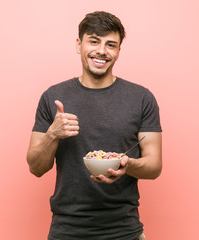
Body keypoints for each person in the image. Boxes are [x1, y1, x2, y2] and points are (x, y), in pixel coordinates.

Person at [27, 11, 162, 240]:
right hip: (67, 230)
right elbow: (36, 168)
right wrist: (53, 134)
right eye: (94, 41)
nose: (102, 50)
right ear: (79, 45)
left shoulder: (141, 98)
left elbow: (154, 166)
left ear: (119, 51)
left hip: (124, 230)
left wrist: (126, 165)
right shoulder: (53, 97)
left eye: (111, 44)